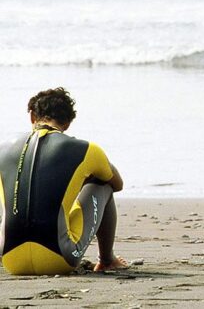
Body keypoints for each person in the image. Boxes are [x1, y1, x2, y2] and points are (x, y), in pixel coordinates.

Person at [0, 87, 128, 275]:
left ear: (32, 117)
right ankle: (107, 259)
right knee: (102, 185)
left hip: (11, 260)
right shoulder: (86, 149)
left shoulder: (3, 149)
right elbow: (117, 184)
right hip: (60, 257)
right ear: (67, 123)